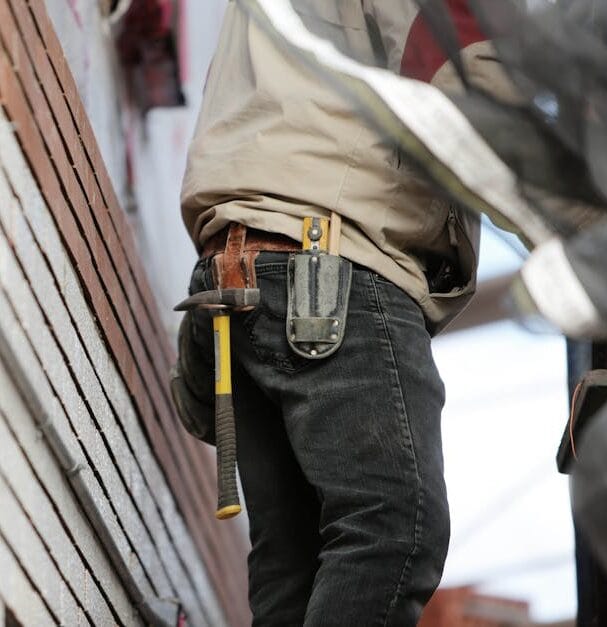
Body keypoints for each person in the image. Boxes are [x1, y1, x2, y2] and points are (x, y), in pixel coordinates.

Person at [171, 2, 490, 624]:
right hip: (327, 263)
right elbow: (478, 81)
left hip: (246, 269)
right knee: (396, 527)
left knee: (294, 566)